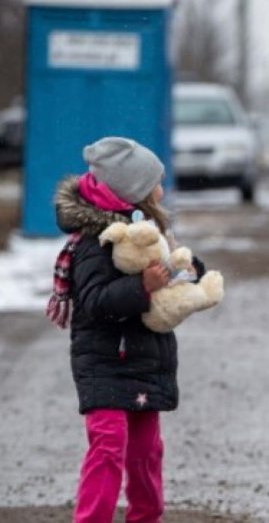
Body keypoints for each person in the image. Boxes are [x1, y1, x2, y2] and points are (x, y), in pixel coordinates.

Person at [50, 136, 207, 522]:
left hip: (143, 359)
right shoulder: (94, 242)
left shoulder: (150, 233)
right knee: (108, 446)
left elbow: (175, 260)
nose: (161, 188)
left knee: (146, 452)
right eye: (155, 182)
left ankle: (146, 516)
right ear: (132, 192)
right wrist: (142, 288)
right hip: (105, 360)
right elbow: (94, 300)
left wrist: (191, 270)